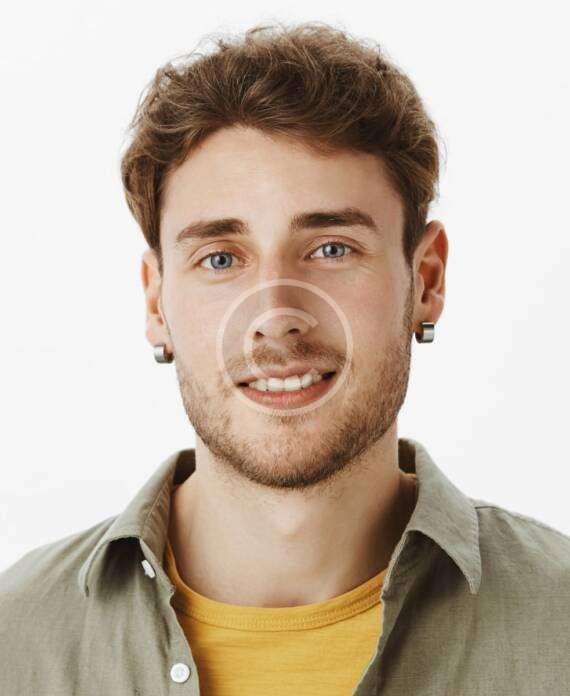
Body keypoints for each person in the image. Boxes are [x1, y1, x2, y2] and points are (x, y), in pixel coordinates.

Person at [1, 20, 569, 696]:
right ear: (157, 303)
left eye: (331, 249)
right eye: (220, 259)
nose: (275, 316)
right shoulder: (17, 641)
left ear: (427, 280)